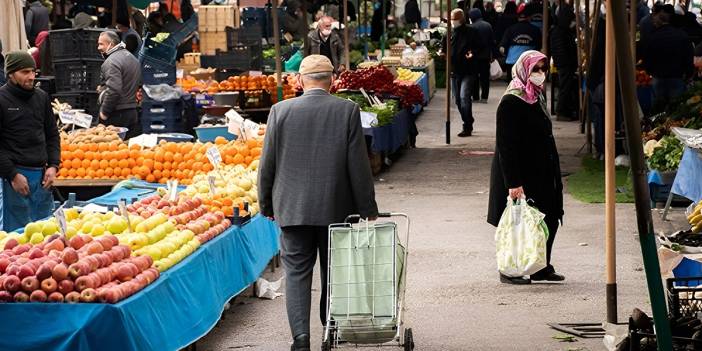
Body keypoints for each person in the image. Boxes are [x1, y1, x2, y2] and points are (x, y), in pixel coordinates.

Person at [258, 55, 378, 351]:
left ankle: (301, 339)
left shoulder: (279, 111)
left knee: (297, 274)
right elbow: (358, 165)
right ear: (333, 81)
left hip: (292, 209)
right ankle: (329, 326)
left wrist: (267, 206)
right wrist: (367, 208)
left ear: (299, 81)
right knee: (333, 270)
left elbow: (267, 164)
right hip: (336, 207)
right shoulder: (347, 110)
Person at [487, 50, 564, 285]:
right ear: (524, 71)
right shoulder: (512, 100)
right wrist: (513, 183)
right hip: (520, 172)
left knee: (547, 217)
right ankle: (510, 269)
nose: (540, 74)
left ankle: (540, 266)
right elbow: (506, 146)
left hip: (541, 169)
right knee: (519, 222)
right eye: (535, 70)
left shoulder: (537, 96)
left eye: (543, 69)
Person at [0, 51, 60, 231]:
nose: (31, 77)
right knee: (16, 236)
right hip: (15, 178)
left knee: (45, 233)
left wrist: (53, 165)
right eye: (25, 72)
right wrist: (12, 175)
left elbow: (52, 134)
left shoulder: (41, 97)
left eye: (33, 71)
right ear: (11, 73)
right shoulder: (2, 100)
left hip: (42, 177)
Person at [643, 4, 694, 109]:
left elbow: (647, 58)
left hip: (658, 78)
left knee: (657, 111)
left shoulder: (652, 37)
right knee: (676, 110)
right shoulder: (682, 35)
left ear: (659, 21)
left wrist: (649, 71)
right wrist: (688, 74)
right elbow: (688, 57)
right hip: (677, 77)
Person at [97, 31, 142, 139]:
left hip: (117, 113)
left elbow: (114, 90)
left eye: (101, 44)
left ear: (111, 44)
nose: (98, 47)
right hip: (132, 112)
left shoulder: (111, 62)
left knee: (112, 151)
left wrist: (104, 112)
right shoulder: (132, 58)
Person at [447, 8, 483, 137]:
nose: (453, 21)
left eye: (455, 19)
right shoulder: (450, 32)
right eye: (451, 19)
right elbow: (445, 47)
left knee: (464, 97)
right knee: (457, 100)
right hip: (455, 71)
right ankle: (468, 120)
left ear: (461, 19)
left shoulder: (471, 32)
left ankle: (467, 126)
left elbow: (480, 47)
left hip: (469, 70)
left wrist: (472, 53)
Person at [550, 3, 579, 121]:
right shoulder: (561, 31)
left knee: (565, 87)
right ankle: (561, 112)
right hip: (565, 64)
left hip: (563, 63)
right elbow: (562, 49)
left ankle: (564, 111)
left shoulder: (559, 30)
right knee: (565, 87)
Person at [499, 5, 542, 74]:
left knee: (513, 83)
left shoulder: (510, 29)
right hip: (529, 61)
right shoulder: (535, 30)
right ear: (529, 17)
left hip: (512, 61)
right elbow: (539, 45)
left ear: (518, 18)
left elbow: (503, 46)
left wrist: (504, 53)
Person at [469, 8, 497, 103]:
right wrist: (493, 55)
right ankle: (484, 97)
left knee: (474, 77)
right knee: (485, 78)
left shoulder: (471, 27)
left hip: (474, 57)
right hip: (485, 56)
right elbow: (492, 42)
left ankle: (475, 97)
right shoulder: (488, 26)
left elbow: (469, 43)